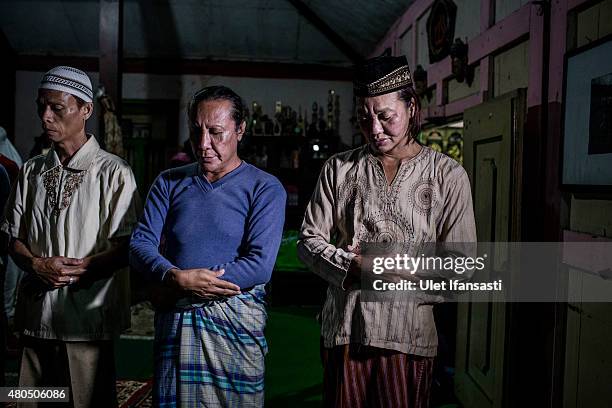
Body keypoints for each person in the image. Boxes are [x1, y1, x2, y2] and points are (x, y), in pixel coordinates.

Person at [297, 55, 477, 407]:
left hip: (408, 338)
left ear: (411, 107)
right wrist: (352, 268)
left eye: (385, 116)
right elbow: (308, 241)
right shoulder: (340, 169)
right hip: (346, 332)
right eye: (365, 118)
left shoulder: (447, 176)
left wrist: (386, 265)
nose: (374, 128)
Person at [130, 85, 286, 407]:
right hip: (176, 317)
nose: (203, 144)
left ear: (240, 129)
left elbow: (259, 264)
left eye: (216, 132)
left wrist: (197, 283)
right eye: (196, 131)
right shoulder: (169, 182)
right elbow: (140, 243)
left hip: (233, 323)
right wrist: (175, 277)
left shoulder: (264, 188)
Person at [1, 66, 140, 407]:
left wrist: (79, 269)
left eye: (57, 109)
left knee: (85, 401)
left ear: (85, 110)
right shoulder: (32, 170)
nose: (46, 116)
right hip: (35, 318)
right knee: (29, 399)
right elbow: (11, 237)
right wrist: (36, 264)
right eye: (41, 107)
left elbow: (128, 246)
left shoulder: (114, 172)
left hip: (86, 321)